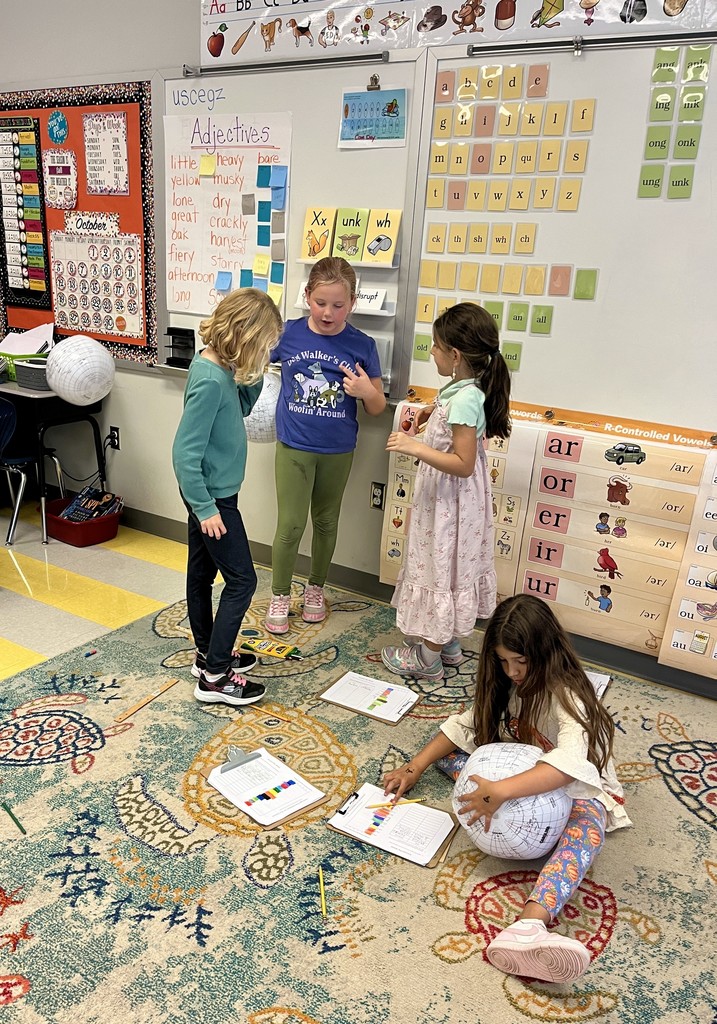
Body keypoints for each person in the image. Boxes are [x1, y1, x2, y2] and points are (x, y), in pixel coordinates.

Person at [382, 593, 631, 984]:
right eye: (503, 660)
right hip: (524, 765)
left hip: (574, 785)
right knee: (453, 758)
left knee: (586, 828)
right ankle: (492, 787)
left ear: (545, 654)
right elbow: (464, 725)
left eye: (521, 662)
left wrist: (499, 792)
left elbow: (568, 768)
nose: (512, 671)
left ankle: (529, 926)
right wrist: (414, 767)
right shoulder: (506, 682)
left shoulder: (568, 696)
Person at [381, 302, 511, 681]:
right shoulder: (460, 388)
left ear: (455, 355)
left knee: (441, 567)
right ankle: (448, 642)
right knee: (447, 566)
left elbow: (464, 462)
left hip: (450, 504)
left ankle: (428, 657)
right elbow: (450, 415)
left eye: (435, 347)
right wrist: (428, 413)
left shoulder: (467, 398)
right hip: (446, 501)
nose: (431, 352)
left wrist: (415, 447)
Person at [172, 288, 283, 707]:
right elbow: (184, 454)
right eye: (263, 345)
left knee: (201, 576)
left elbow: (241, 407)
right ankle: (216, 675)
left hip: (215, 496)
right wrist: (204, 509)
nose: (266, 352)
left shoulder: (219, 370)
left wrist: (252, 374)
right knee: (243, 580)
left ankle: (207, 655)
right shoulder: (209, 381)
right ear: (245, 336)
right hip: (212, 500)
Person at [265, 256, 386, 633]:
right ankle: (280, 593)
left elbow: (378, 406)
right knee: (289, 525)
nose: (328, 312)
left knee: (326, 521)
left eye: (338, 304)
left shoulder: (362, 344)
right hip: (294, 446)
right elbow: (249, 359)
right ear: (306, 296)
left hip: (337, 450)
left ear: (352, 303)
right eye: (320, 303)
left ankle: (315, 588)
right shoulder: (287, 333)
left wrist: (367, 391)